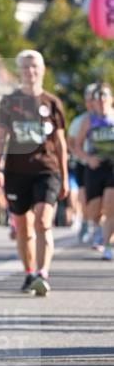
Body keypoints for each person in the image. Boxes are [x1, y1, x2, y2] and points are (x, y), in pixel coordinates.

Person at [0, 49, 68, 295]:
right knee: (23, 226)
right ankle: (29, 273)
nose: (30, 71)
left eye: (34, 66)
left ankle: (43, 273)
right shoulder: (9, 102)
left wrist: (65, 177)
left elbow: (60, 143)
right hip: (16, 171)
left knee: (44, 221)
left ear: (42, 70)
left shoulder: (52, 103)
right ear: (19, 71)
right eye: (25, 67)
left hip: (47, 169)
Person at [75, 83, 114, 261]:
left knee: (110, 206)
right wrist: (87, 159)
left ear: (111, 99)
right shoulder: (88, 121)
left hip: (112, 167)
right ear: (93, 102)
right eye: (98, 98)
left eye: (105, 96)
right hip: (94, 168)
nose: (101, 101)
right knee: (94, 210)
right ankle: (96, 228)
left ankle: (107, 245)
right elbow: (76, 146)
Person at [67, 84, 99, 243]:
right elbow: (71, 142)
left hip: (104, 163)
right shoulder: (80, 121)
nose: (92, 103)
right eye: (89, 100)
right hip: (83, 163)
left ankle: (98, 226)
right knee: (85, 196)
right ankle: (87, 221)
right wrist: (81, 155)